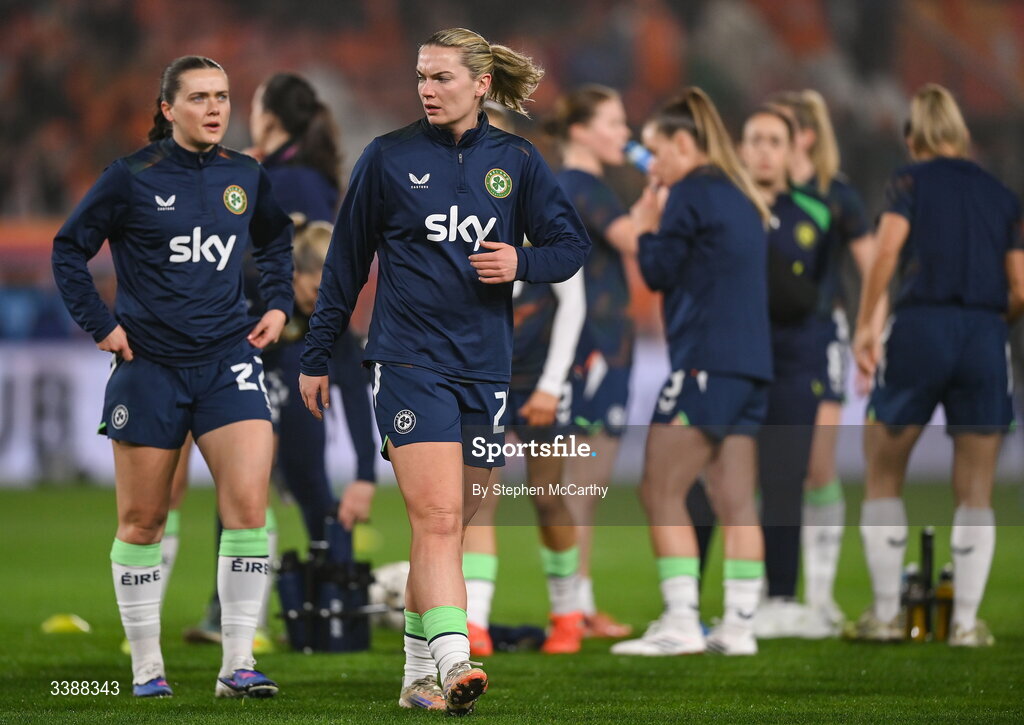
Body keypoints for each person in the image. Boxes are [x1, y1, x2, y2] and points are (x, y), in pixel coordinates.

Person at [298, 28, 589, 714]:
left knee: (449, 527)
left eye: (442, 78)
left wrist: (523, 262)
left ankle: (414, 677)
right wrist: (315, 353)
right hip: (406, 360)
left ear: (481, 84)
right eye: (421, 77)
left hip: (486, 370)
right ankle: (456, 660)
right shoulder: (388, 158)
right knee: (436, 517)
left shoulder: (515, 161)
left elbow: (570, 245)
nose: (427, 90)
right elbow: (343, 267)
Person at [51, 55, 293, 698]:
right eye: (199, 98)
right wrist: (101, 325)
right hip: (148, 366)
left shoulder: (246, 174)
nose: (215, 109)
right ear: (167, 109)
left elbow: (275, 240)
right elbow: (68, 249)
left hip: (227, 362)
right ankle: (146, 668)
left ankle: (237, 665)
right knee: (143, 522)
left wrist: (276, 302)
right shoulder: (129, 177)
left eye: (222, 97)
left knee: (248, 512)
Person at [182, 72, 378, 647]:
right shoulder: (301, 175)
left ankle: (316, 604)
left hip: (281, 348)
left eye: (253, 102)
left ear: (270, 114)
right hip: (276, 343)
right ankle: (306, 603)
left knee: (285, 482)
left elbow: (293, 257)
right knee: (267, 482)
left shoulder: (287, 181)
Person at [850, 84, 1024, 646]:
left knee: (882, 469)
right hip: (983, 332)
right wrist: (991, 322)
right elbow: (1021, 285)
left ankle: (885, 615)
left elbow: (886, 250)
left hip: (921, 328)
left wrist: (867, 322)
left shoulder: (908, 181)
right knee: (975, 487)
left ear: (911, 139)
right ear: (962, 135)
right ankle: (967, 623)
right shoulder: (1001, 195)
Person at [611, 88, 772, 657]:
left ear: (684, 142)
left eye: (657, 152)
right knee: (736, 498)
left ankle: (681, 621)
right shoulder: (740, 193)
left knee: (660, 487)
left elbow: (656, 272)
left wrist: (648, 223)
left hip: (706, 362)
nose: (652, 166)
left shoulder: (688, 195)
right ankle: (740, 626)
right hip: (752, 366)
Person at [462, 100, 588, 658]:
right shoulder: (456, 210)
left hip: (538, 378)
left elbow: (574, 302)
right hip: (484, 376)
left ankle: (568, 615)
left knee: (548, 497)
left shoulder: (538, 215)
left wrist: (551, 386)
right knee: (478, 499)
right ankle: (477, 625)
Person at [771, 89, 878, 635]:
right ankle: (775, 593)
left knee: (815, 466)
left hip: (823, 336)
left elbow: (874, 263)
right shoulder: (760, 193)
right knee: (774, 470)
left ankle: (820, 595)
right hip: (769, 341)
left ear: (806, 135)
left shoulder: (836, 196)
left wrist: (868, 327)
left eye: (781, 128)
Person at [736, 105, 834, 638]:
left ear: (793, 148)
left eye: (775, 140)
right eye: (755, 139)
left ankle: (780, 598)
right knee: (717, 484)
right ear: (742, 147)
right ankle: (696, 610)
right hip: (734, 363)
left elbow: (812, 293)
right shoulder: (727, 207)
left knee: (783, 484)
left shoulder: (816, 213)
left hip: (794, 364)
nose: (765, 150)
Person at [546, 84, 639, 639]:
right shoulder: (583, 187)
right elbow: (639, 241)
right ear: (580, 130)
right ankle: (573, 607)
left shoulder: (570, 186)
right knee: (584, 483)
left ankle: (578, 601)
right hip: (596, 351)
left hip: (591, 349)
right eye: (614, 122)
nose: (625, 133)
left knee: (579, 485)